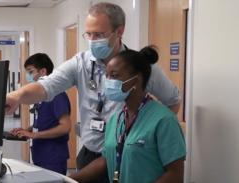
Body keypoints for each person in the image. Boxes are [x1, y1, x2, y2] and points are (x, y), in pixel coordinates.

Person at [6, 2, 180, 182]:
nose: (92, 40)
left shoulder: (142, 68)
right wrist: (15, 97)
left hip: (131, 154)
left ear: (119, 31)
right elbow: (47, 86)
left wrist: (153, 133)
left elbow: (173, 101)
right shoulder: (82, 64)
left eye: (98, 34)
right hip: (94, 154)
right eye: (88, 34)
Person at [70, 46, 186, 183]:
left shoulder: (164, 120)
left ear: (136, 80)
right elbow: (107, 159)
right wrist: (69, 179)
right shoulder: (116, 118)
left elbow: (175, 174)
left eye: (114, 75)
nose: (107, 82)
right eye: (106, 76)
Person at [10, 53, 71, 175]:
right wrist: (26, 130)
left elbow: (65, 127)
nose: (28, 76)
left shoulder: (57, 95)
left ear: (43, 71)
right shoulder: (42, 96)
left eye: (31, 72)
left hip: (53, 156)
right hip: (40, 153)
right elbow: (44, 121)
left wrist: (34, 135)